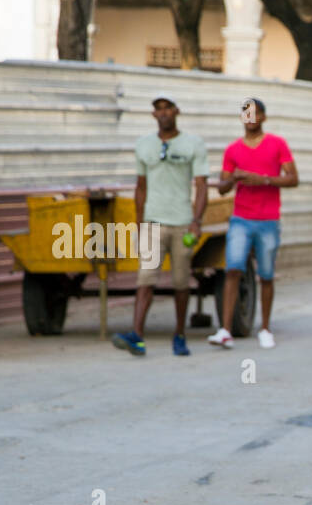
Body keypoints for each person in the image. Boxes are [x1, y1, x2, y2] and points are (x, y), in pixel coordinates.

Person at [112, 94, 208, 357]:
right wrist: (140, 222)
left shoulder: (193, 144)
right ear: (153, 115)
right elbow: (140, 187)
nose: (164, 113)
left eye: (168, 108)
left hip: (182, 224)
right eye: (158, 110)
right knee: (145, 278)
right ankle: (137, 336)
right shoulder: (144, 145)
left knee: (180, 282)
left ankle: (179, 334)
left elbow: (201, 186)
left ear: (177, 111)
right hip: (153, 222)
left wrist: (196, 221)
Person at [211, 98, 297, 350]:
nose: (251, 118)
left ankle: (266, 328)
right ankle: (225, 329)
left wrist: (264, 180)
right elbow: (223, 188)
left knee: (266, 274)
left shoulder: (277, 144)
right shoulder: (233, 150)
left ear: (263, 117)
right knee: (233, 269)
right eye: (246, 113)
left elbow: (293, 178)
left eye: (255, 113)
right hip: (241, 218)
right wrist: (235, 177)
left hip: (269, 219)